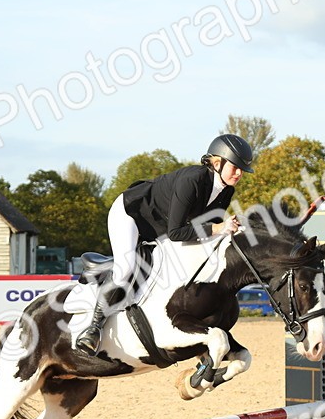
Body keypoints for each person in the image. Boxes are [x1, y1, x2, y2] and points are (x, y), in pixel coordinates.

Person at [75, 133, 254, 355]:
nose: (239, 174)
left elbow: (210, 228)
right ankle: (93, 329)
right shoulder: (192, 181)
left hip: (160, 227)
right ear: (217, 163)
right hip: (131, 215)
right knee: (127, 267)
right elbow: (178, 232)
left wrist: (235, 231)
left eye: (242, 170)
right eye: (235, 167)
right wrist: (219, 229)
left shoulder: (227, 190)